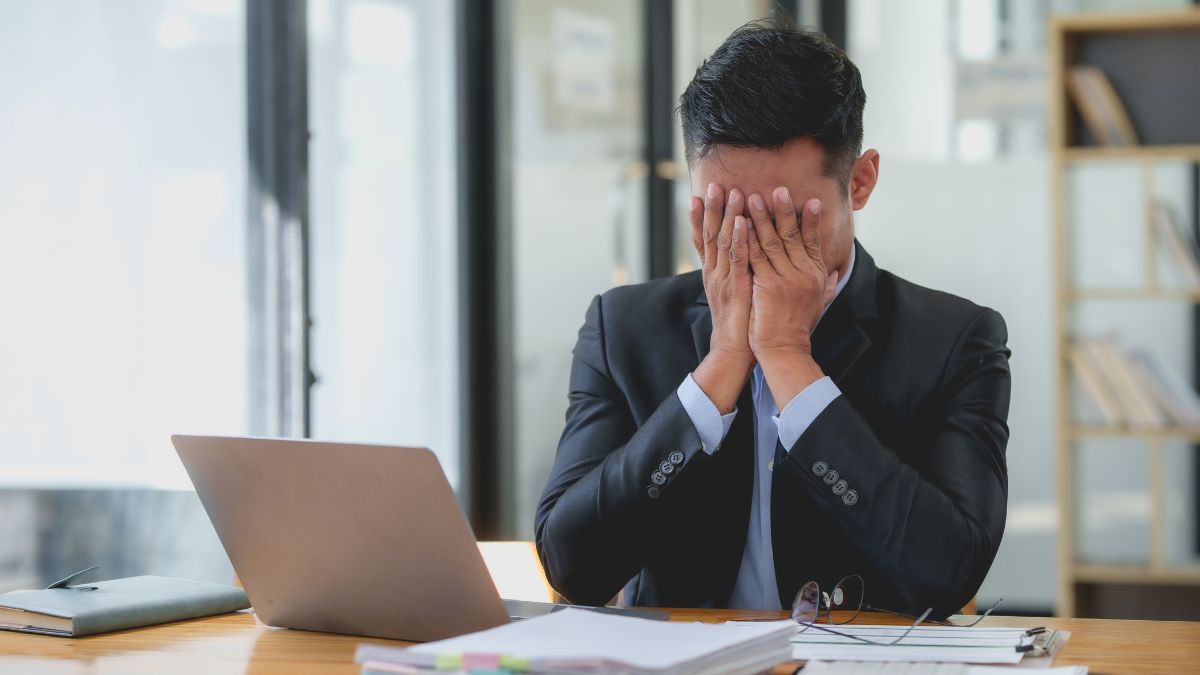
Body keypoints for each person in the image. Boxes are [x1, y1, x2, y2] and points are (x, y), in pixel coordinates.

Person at [534, 18, 1011, 619]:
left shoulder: (956, 340)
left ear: (859, 183)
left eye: (786, 219)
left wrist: (789, 359)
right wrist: (721, 367)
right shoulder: (623, 327)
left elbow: (948, 573)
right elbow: (572, 567)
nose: (754, 245)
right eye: (727, 215)